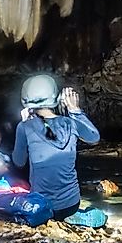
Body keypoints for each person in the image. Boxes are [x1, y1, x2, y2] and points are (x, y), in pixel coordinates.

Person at [12, 74, 104, 225]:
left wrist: (24, 125)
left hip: (41, 207)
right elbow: (94, 138)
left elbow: (19, 162)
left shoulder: (24, 127)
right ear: (56, 98)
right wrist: (75, 110)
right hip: (71, 205)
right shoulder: (70, 123)